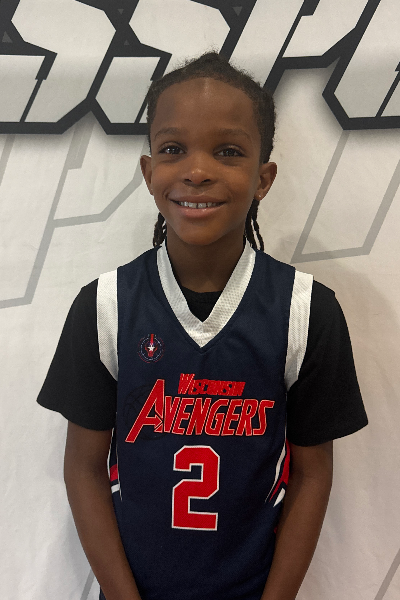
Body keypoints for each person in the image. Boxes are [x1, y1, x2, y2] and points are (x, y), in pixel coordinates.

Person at [37, 52, 368, 600]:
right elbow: (84, 469)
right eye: (173, 149)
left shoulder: (307, 311)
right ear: (149, 172)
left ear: (263, 178)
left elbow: (312, 474)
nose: (197, 170)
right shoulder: (105, 306)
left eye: (228, 151)